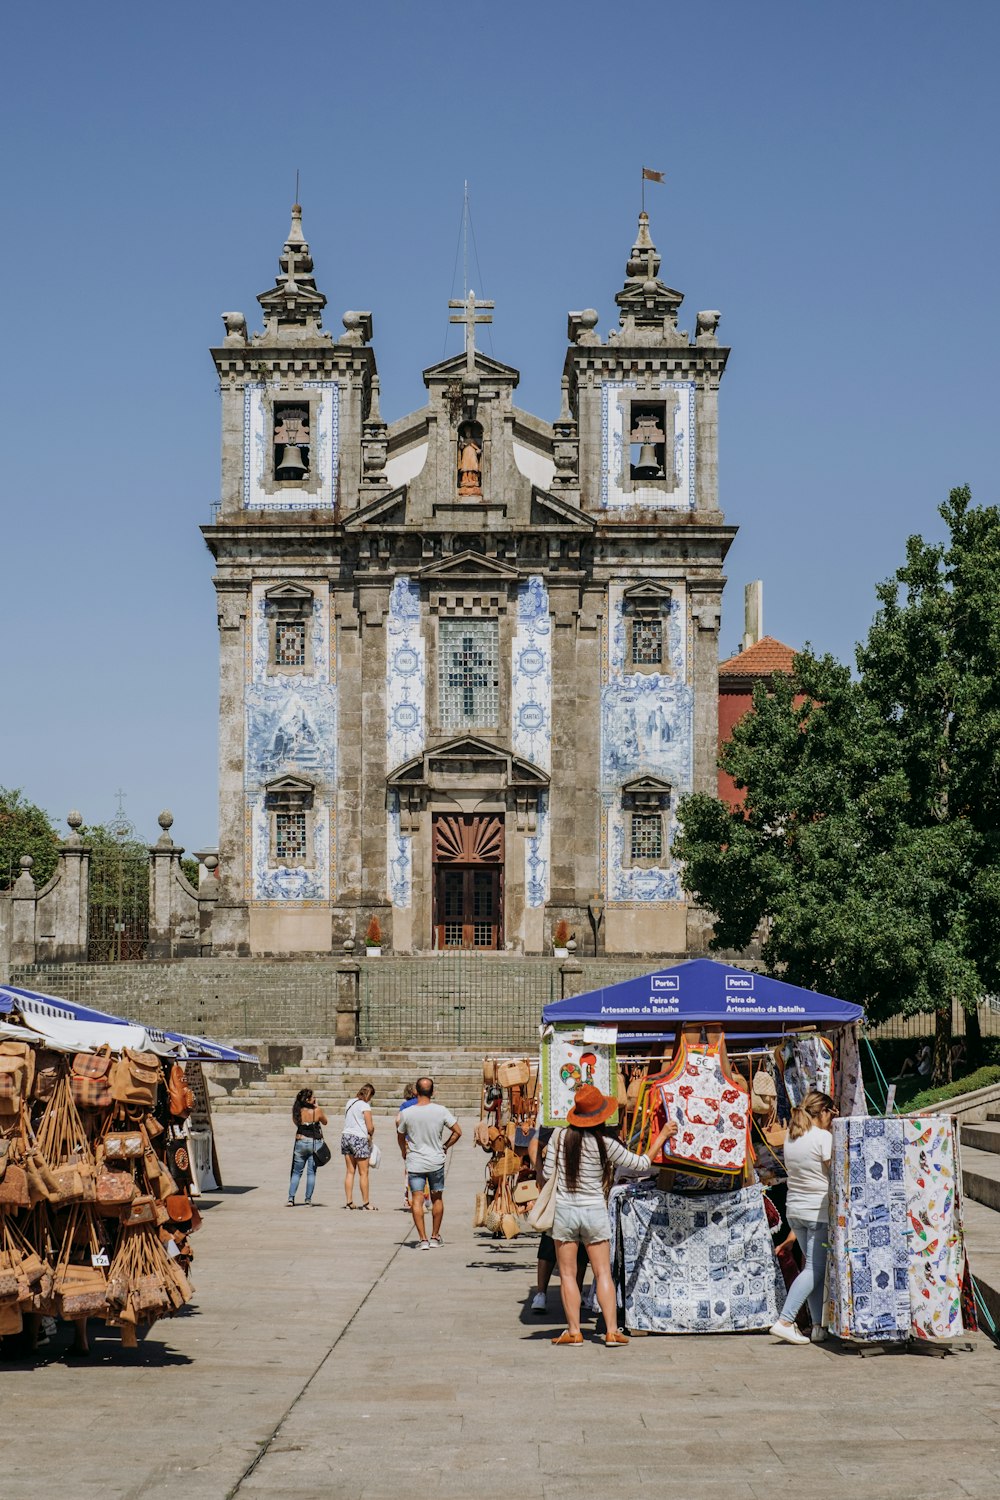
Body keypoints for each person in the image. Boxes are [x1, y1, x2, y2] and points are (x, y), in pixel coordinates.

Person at [543, 1084, 677, 1346]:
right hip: (594, 1210)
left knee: (568, 1275)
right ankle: (612, 1331)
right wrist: (661, 1136)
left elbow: (548, 1175)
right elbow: (640, 1164)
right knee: (603, 1272)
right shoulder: (606, 1143)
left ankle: (573, 1331)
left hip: (565, 1210)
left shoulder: (558, 1137)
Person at [769, 1089, 836, 1345]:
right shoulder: (823, 1138)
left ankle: (818, 1326)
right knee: (814, 1269)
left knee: (813, 1269)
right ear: (824, 1112)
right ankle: (785, 1320)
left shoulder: (792, 1136)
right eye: (832, 1112)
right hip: (816, 1210)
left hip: (795, 1208)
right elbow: (834, 1173)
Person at [528, 1126, 589, 1314]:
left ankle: (567, 1294)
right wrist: (539, 1170)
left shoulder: (557, 1124)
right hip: (571, 1194)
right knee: (553, 1242)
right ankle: (542, 1293)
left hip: (569, 1193)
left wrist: (542, 1171)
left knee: (563, 1245)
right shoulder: (556, 1123)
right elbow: (534, 1144)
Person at [396, 1075, 461, 1248]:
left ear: (416, 1091)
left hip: (415, 1161)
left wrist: (404, 1151)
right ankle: (435, 1236)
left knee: (416, 1199)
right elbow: (457, 1131)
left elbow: (400, 1135)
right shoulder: (441, 1110)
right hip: (435, 1161)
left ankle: (423, 1239)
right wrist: (445, 1146)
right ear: (433, 1092)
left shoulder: (406, 1113)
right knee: (437, 1198)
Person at [288, 1087, 327, 1207]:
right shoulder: (317, 1111)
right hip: (314, 1143)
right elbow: (325, 1122)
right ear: (309, 1100)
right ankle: (308, 1199)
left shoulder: (297, 1111)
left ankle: (291, 1198)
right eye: (313, 1097)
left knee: (296, 1172)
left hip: (300, 1142)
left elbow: (296, 1123)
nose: (315, 1098)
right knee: (311, 1173)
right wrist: (316, 1107)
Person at [341, 1083, 377, 1210]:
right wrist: (372, 1133)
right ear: (369, 1095)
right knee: (364, 1173)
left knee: (350, 1171)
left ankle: (349, 1201)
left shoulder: (350, 1102)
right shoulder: (365, 1106)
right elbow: (370, 1127)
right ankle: (366, 1203)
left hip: (346, 1136)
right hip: (359, 1139)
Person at [397, 1083, 419, 1209]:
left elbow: (397, 1120)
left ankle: (407, 1198)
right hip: (422, 1140)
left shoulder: (405, 1105)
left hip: (408, 1140)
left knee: (408, 1171)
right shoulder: (422, 1103)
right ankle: (425, 1198)